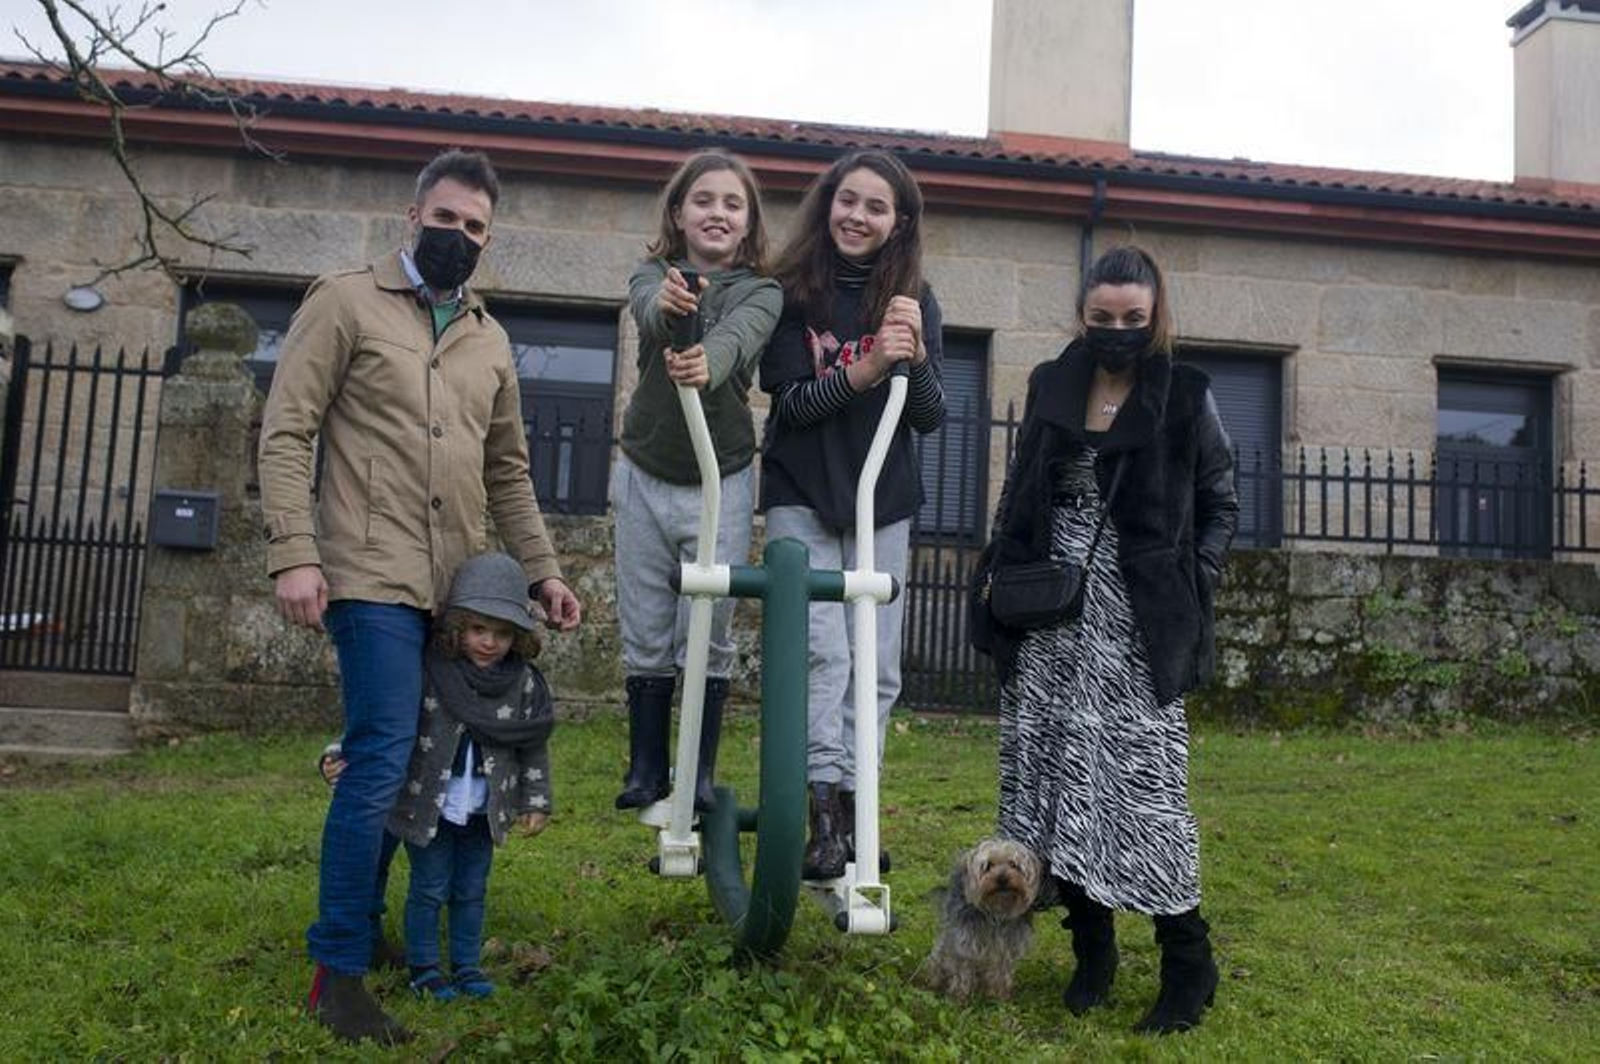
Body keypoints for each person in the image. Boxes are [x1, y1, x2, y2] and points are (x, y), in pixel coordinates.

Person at [259, 148, 582, 1045]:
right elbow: (288, 429)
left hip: (453, 592)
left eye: (475, 227)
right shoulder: (344, 300)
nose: (459, 237)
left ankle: (358, 930)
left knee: (416, 768)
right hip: (366, 578)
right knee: (380, 762)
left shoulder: (489, 339)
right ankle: (338, 973)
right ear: (414, 218)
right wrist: (294, 551)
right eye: (446, 220)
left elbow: (509, 472)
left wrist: (543, 571)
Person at [975, 245, 1238, 1034]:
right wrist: (997, 570)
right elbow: (1020, 489)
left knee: (1147, 789)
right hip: (1051, 611)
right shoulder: (1052, 383)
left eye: (1134, 318)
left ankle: (1187, 959)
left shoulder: (1187, 394)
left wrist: (1192, 581)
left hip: (1137, 619)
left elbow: (1221, 501)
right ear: (1082, 315)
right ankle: (1092, 948)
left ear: (1156, 315)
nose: (1118, 330)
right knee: (1058, 779)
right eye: (1103, 318)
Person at [760, 150, 945, 880]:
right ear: (827, 204)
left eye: (876, 207)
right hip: (803, 493)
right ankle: (820, 821)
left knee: (874, 666)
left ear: (899, 223)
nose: (858, 217)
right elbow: (793, 407)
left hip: (882, 503)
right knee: (821, 654)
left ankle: (854, 812)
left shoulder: (913, 300)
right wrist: (865, 371)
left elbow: (927, 418)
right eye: (848, 201)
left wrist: (918, 359)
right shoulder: (791, 294)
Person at [613, 150, 781, 812]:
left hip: (723, 477)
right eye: (704, 200)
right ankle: (647, 768)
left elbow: (741, 338)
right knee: (648, 626)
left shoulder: (763, 291)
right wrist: (669, 303)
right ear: (679, 213)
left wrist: (706, 359)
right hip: (647, 471)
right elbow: (649, 311)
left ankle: (698, 772)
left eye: (732, 204)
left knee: (708, 629)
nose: (717, 212)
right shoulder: (651, 273)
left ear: (746, 224)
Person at [385, 552, 554, 1002]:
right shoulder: (429, 673)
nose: (488, 642)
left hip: (484, 809)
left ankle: (466, 966)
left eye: (501, 633)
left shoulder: (523, 684)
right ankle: (424, 968)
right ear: (457, 628)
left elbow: (531, 743)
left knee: (471, 889)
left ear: (516, 637)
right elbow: (390, 719)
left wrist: (535, 801)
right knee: (430, 887)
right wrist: (342, 753)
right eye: (478, 629)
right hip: (429, 804)